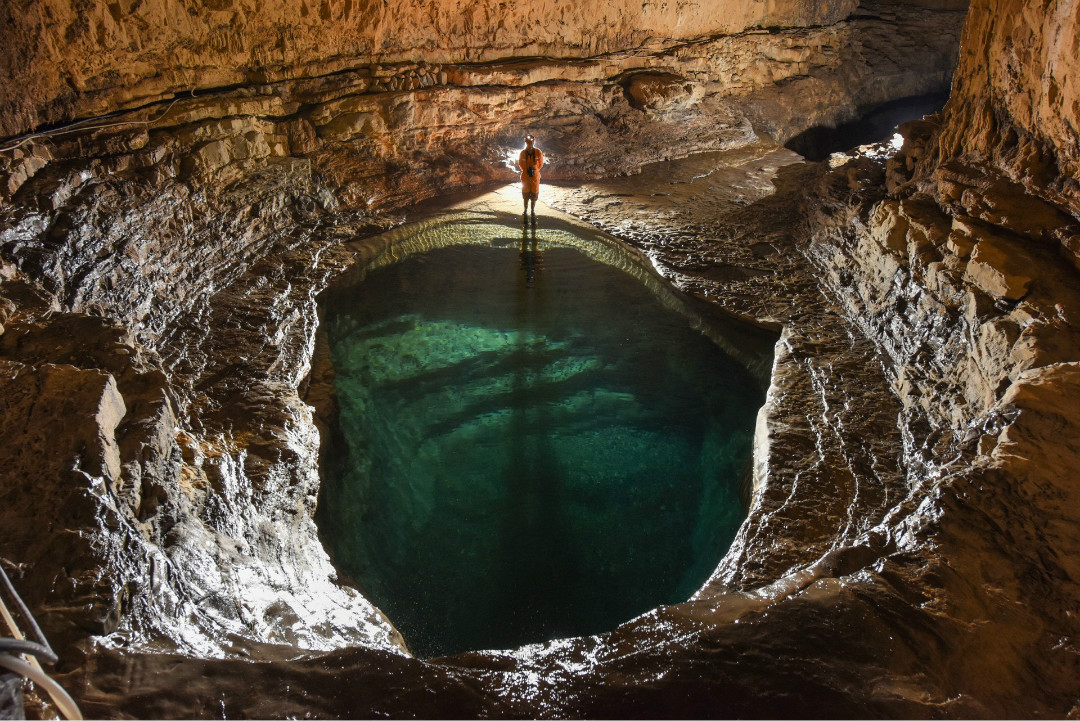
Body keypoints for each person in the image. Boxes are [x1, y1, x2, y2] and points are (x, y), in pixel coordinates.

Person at [517, 134, 544, 223]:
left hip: (535, 177)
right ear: (526, 143)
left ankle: (532, 210)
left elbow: (540, 164)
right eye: (528, 143)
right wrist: (526, 170)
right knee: (525, 194)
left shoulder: (538, 152)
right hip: (525, 176)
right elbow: (520, 163)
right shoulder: (523, 153)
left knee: (534, 194)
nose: (529, 145)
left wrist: (534, 170)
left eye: (531, 143)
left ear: (533, 142)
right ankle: (525, 210)